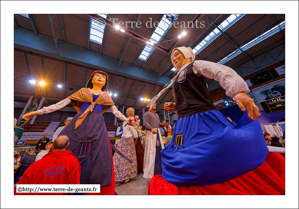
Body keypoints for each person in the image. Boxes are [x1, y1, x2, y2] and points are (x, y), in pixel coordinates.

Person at [147, 46, 284, 195]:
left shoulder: (195, 66)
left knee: (214, 154)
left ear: (187, 54)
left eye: (177, 54)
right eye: (172, 57)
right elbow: (189, 100)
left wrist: (238, 91)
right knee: (186, 158)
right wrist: (176, 107)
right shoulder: (176, 79)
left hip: (203, 120)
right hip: (183, 125)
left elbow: (220, 71)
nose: (174, 58)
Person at [22, 70, 128, 195]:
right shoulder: (83, 92)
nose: (100, 78)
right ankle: (60, 180)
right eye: (97, 76)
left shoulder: (106, 97)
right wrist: (37, 112)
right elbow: (60, 104)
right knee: (67, 150)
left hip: (97, 126)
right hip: (79, 124)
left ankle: (91, 185)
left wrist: (128, 120)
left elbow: (116, 113)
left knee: (99, 156)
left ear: (105, 82)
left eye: (103, 77)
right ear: (91, 79)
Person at [14, 135, 81, 195]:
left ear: (52, 146)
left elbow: (21, 187)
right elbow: (74, 184)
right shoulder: (73, 161)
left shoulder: (36, 164)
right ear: (67, 145)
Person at [113, 107, 138, 183]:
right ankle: (127, 175)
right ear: (131, 113)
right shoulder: (130, 121)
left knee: (122, 157)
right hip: (129, 140)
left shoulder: (124, 121)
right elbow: (134, 134)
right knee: (129, 157)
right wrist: (136, 131)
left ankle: (121, 174)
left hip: (123, 140)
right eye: (133, 112)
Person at [143, 103, 164, 178]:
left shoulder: (157, 115)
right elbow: (146, 123)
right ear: (149, 105)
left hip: (157, 132)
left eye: (155, 104)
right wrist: (151, 129)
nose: (155, 105)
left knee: (159, 149)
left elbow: (158, 124)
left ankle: (161, 169)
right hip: (152, 132)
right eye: (153, 104)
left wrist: (162, 124)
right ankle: (152, 170)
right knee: (152, 150)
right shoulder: (147, 114)